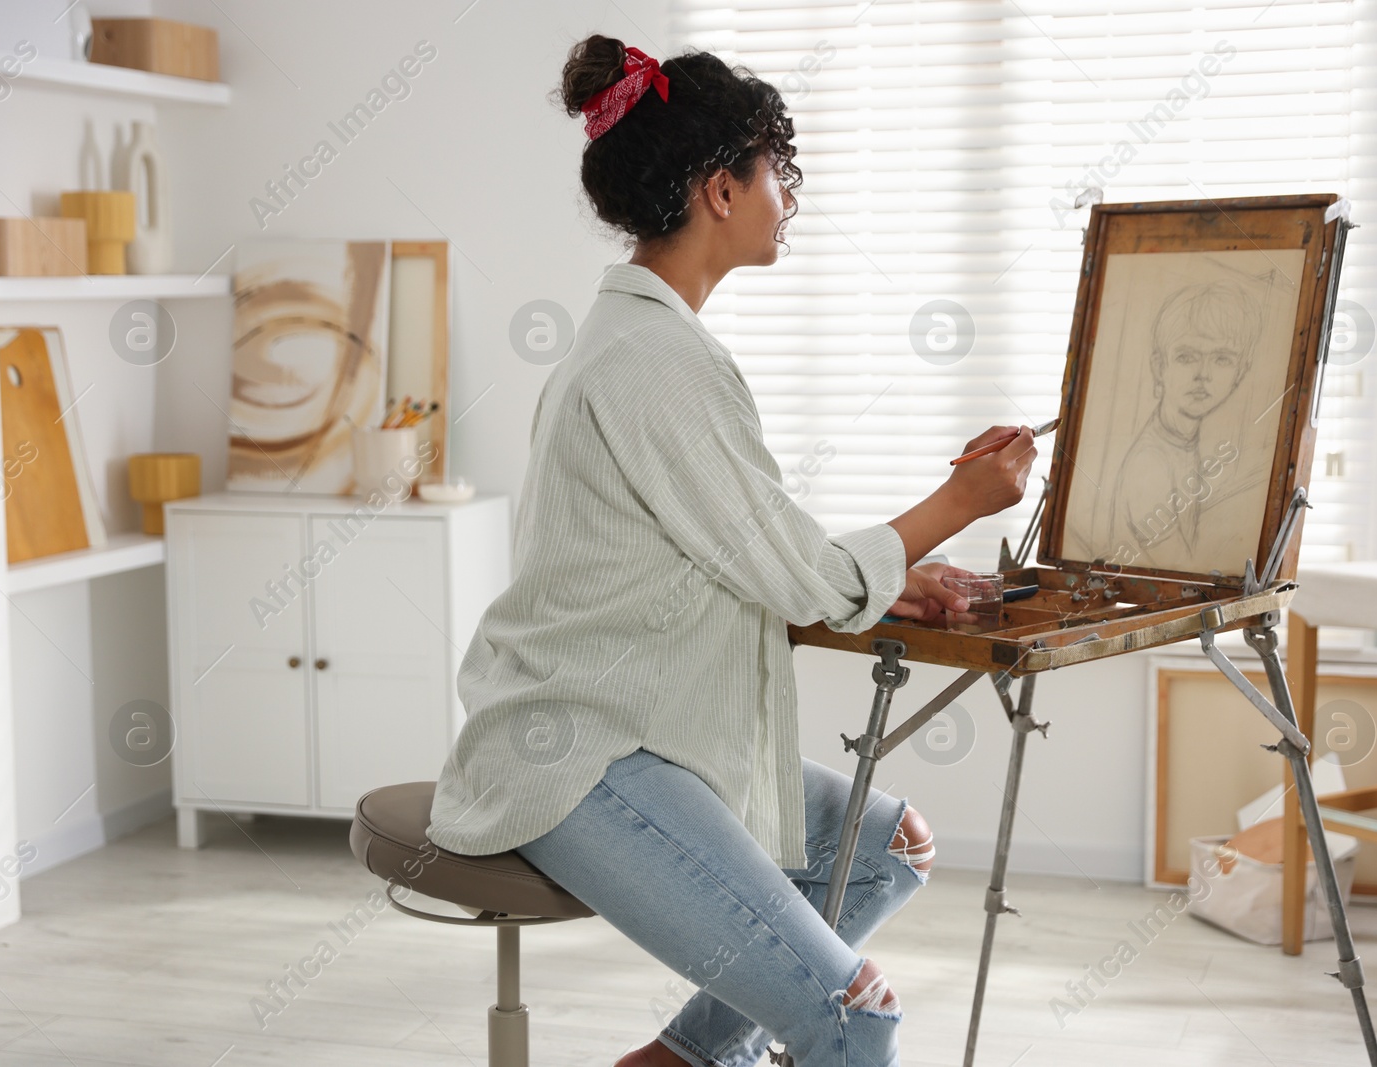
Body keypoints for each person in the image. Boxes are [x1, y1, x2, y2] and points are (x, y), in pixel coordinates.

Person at [425, 35, 1036, 1067]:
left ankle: (681, 1058)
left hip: (635, 721)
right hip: (582, 750)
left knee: (891, 845)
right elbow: (798, 572)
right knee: (856, 1013)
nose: (786, 199)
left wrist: (891, 580)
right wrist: (964, 500)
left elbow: (744, 558)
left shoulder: (639, 342)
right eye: (775, 175)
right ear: (718, 189)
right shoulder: (659, 362)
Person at [1103, 281, 1260, 566]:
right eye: (1187, 357)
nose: (1203, 374)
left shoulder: (1185, 442)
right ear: (1159, 366)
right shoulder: (1148, 464)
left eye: (1222, 359)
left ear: (1240, 373)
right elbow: (1184, 573)